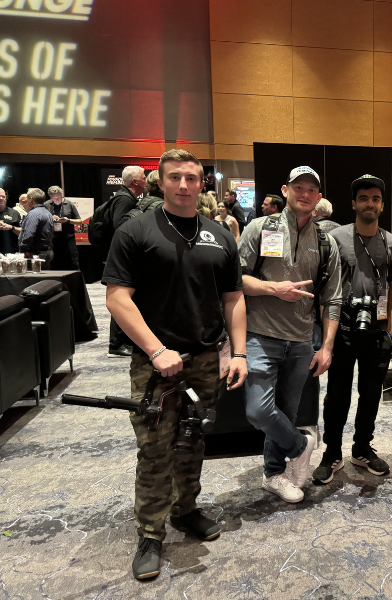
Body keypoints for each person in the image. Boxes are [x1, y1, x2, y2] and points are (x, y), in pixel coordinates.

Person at [102, 148, 247, 581]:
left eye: (192, 177)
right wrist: (155, 350)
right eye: (175, 177)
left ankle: (186, 511)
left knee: (193, 440)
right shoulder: (135, 231)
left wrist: (237, 352)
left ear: (203, 183)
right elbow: (117, 298)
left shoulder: (218, 235)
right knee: (154, 448)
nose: (184, 185)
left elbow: (233, 298)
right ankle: (150, 531)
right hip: (155, 366)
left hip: (204, 360)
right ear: (159, 183)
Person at [238, 166, 342, 504]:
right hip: (260, 334)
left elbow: (333, 299)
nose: (305, 193)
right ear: (285, 190)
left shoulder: (326, 242)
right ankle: (301, 446)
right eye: (299, 187)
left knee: (286, 410)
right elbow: (235, 280)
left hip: (300, 341)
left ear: (319, 197)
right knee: (259, 411)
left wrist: (326, 347)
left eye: (312, 189)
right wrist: (272, 289)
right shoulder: (259, 228)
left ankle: (273, 474)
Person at [312, 175, 392, 484]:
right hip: (343, 324)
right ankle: (332, 453)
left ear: (381, 205)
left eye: (375, 198)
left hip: (376, 329)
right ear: (353, 203)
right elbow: (326, 289)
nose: (370, 203)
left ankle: (362, 448)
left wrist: (390, 331)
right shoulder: (336, 238)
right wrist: (327, 336)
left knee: (370, 394)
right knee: (336, 394)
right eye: (364, 198)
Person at [107, 166, 148, 358]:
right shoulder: (124, 199)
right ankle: (116, 344)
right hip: (123, 257)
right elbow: (120, 226)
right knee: (121, 298)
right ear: (135, 181)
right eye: (143, 177)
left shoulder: (127, 197)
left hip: (124, 255)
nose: (146, 180)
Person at [44, 186, 82, 270]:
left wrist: (68, 220)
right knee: (53, 263)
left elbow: (79, 221)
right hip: (53, 239)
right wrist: (50, 219)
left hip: (68, 238)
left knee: (73, 261)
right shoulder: (46, 205)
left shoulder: (69, 204)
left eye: (59, 197)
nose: (58, 200)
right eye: (55, 198)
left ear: (62, 195)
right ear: (50, 197)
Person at [18, 188, 54, 268]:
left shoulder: (33, 214)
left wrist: (24, 250)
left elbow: (29, 235)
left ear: (31, 199)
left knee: (33, 279)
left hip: (35, 255)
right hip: (46, 252)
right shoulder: (47, 213)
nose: (26, 201)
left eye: (27, 198)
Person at [0, 188, 21, 254]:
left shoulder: (14, 213)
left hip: (11, 253)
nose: (1, 198)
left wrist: (11, 227)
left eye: (3, 197)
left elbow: (23, 233)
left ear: (6, 199)